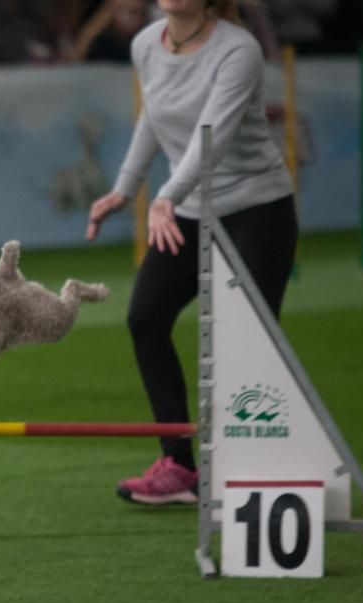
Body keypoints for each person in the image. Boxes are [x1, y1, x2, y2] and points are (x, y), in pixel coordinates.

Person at [87, 0, 298, 505]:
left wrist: (165, 196)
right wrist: (125, 187)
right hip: (186, 207)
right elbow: (154, 119)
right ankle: (179, 466)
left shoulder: (238, 50)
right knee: (145, 318)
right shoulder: (145, 44)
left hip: (257, 209)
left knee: (245, 341)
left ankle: (254, 472)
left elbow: (213, 138)